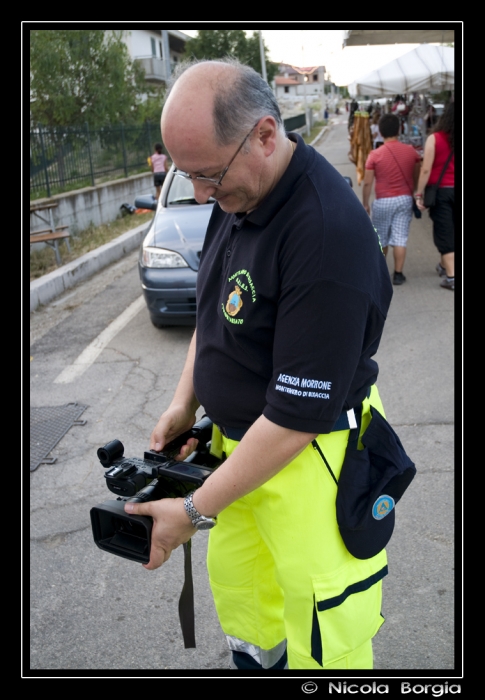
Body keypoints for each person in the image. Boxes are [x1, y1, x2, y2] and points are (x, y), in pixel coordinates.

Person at [125, 58, 393, 671]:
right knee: (253, 616)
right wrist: (182, 403)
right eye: (188, 176)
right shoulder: (239, 193)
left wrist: (190, 514)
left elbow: (297, 419)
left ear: (266, 135)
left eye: (207, 175)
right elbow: (213, 316)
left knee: (325, 637)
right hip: (239, 463)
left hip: (308, 467)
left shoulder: (325, 235)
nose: (200, 195)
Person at [363, 113, 422, 285]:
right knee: (400, 237)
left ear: (380, 132)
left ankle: (381, 275)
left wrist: (365, 203)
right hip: (404, 199)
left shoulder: (375, 154)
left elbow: (367, 182)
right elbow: (416, 174)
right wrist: (415, 190)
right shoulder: (411, 151)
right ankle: (398, 274)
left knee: (381, 237)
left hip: (383, 201)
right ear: (399, 129)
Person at [415, 101, 454, 291]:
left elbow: (426, 169)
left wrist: (419, 193)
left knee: (445, 232)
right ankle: (444, 265)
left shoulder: (435, 138)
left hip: (442, 192)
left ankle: (452, 277)